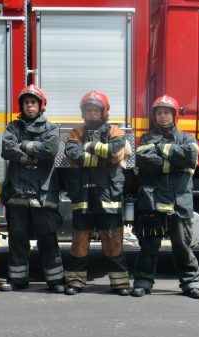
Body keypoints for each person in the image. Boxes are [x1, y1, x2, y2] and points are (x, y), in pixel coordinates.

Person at [131, 95, 199, 299]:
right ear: (155, 116)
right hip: (153, 200)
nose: (163, 116)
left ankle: (191, 282)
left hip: (179, 200)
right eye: (159, 113)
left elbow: (190, 156)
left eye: (166, 112)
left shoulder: (187, 138)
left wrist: (162, 149)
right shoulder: (146, 138)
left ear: (174, 115)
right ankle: (143, 282)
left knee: (182, 244)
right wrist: (175, 163)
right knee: (149, 245)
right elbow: (144, 160)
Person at [62, 90, 131, 296]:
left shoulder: (115, 131)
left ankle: (120, 283)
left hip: (108, 194)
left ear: (104, 112)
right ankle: (75, 281)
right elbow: (72, 153)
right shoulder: (75, 132)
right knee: (79, 241)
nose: (92, 113)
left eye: (96, 110)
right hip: (82, 195)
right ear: (83, 112)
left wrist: (89, 147)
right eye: (88, 110)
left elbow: (114, 151)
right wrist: (103, 159)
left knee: (113, 239)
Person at [0, 84, 66, 293]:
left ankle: (55, 281)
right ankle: (18, 280)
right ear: (22, 105)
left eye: (33, 102)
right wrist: (33, 155)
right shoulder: (12, 127)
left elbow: (50, 149)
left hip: (43, 194)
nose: (30, 106)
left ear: (40, 105)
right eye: (27, 102)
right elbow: (6, 150)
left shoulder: (51, 128)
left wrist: (23, 146)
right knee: (17, 238)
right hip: (17, 193)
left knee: (47, 238)